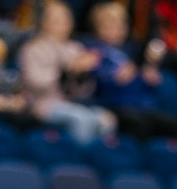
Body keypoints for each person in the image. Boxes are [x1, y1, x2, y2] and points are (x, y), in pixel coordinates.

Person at [82, 2, 177, 142]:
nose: (116, 30)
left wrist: (149, 72)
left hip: (143, 106)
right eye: (109, 25)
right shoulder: (91, 49)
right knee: (138, 124)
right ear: (97, 27)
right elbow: (91, 82)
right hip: (112, 105)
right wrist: (113, 77)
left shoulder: (133, 50)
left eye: (120, 25)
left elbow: (151, 69)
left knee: (175, 125)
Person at [18, 0, 117, 145]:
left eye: (65, 18)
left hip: (72, 103)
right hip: (42, 105)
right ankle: (79, 161)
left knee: (106, 119)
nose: (62, 23)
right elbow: (35, 83)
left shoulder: (75, 48)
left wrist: (81, 74)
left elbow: (83, 93)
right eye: (56, 19)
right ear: (44, 21)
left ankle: (98, 160)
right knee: (81, 118)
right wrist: (65, 71)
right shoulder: (33, 48)